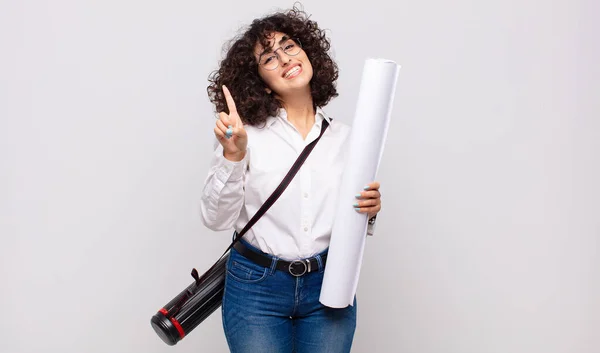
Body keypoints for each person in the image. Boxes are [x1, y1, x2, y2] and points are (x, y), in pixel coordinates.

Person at [200, 6, 382, 353]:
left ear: (308, 53)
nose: (284, 58)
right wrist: (233, 156)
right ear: (260, 82)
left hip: (329, 283)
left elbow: (349, 217)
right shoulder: (243, 135)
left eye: (289, 45)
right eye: (269, 57)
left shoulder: (347, 139)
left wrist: (370, 210)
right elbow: (215, 219)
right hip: (256, 287)